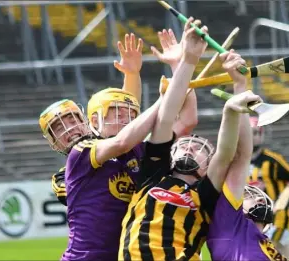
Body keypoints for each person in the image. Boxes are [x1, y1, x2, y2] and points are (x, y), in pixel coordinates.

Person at [119, 17, 264, 261]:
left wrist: (240, 86)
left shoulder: (205, 194)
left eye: (199, 149)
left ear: (208, 166)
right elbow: (165, 119)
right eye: (185, 144)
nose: (189, 148)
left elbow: (235, 154)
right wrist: (188, 60)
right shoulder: (153, 174)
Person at [60, 27, 199, 260]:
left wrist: (179, 65)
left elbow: (187, 120)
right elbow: (122, 141)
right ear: (95, 120)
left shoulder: (140, 151)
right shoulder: (82, 151)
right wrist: (164, 97)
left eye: (129, 113)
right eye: (115, 112)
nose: (124, 118)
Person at [43, 33, 144, 206]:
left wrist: (132, 74)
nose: (69, 128)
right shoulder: (62, 178)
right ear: (54, 143)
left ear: (89, 121)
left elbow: (126, 111)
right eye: (58, 128)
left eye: (72, 120)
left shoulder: (113, 139)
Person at [203, 51, 286, 261]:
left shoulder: (267, 244)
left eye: (256, 195)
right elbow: (241, 155)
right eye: (247, 196)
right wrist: (241, 87)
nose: (257, 196)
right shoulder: (228, 223)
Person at [247, 116, 289, 260]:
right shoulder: (239, 161)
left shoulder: (272, 160)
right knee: (283, 253)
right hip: (256, 219)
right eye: (250, 133)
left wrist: (281, 202)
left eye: (256, 133)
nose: (253, 137)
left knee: (263, 251)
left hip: (277, 218)